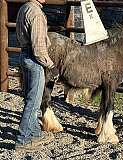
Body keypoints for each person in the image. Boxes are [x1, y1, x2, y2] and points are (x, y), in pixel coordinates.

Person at [15, 0, 59, 152]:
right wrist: (51, 66)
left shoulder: (25, 8)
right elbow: (39, 48)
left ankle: (35, 133)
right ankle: (23, 140)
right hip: (34, 59)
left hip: (24, 55)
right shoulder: (36, 13)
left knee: (31, 98)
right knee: (33, 102)